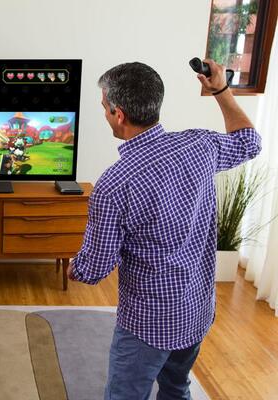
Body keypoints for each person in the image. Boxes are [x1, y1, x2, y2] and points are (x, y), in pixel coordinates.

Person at [68, 60, 261, 399]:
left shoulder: (114, 184)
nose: (104, 113)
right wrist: (220, 90)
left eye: (104, 107)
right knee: (176, 388)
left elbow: (94, 269)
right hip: (197, 310)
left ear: (118, 114)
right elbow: (249, 142)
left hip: (148, 324)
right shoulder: (200, 146)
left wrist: (75, 268)